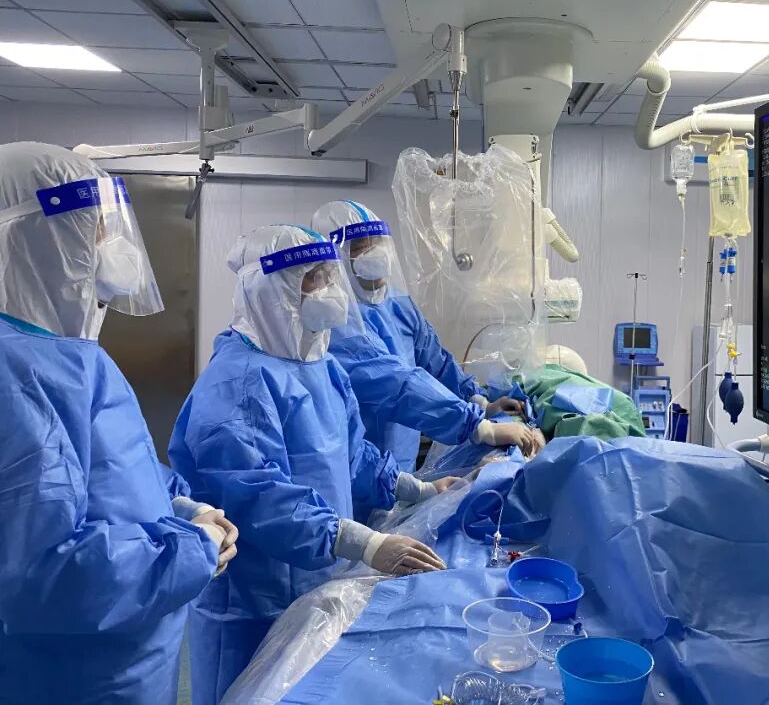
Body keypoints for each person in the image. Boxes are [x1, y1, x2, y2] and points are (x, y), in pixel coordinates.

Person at [169, 224, 453, 705]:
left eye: (329, 274)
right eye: (311, 278)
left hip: (316, 582)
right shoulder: (237, 383)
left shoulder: (322, 365)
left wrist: (420, 490)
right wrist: (366, 543)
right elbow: (262, 498)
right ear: (271, 291)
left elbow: (355, 455)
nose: (328, 289)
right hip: (251, 605)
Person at [0, 142, 237, 705]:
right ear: (36, 236)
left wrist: (179, 507)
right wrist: (190, 550)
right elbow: (46, 576)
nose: (113, 244)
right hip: (72, 681)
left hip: (130, 663)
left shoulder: (74, 356)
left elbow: (114, 475)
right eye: (96, 226)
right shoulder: (16, 373)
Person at [312, 200, 544, 472]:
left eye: (378, 244)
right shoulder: (337, 324)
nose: (376, 255)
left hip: (403, 459)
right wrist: (477, 427)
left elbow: (436, 362)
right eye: (362, 247)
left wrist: (480, 402)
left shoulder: (398, 305)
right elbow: (396, 383)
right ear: (337, 259)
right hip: (362, 467)